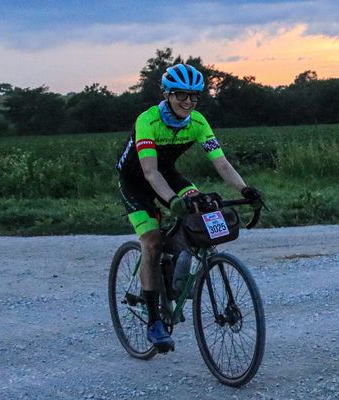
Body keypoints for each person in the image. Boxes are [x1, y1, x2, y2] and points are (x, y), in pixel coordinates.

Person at [116, 63, 262, 352]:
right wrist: (172, 201)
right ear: (168, 95)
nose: (188, 102)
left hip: (167, 173)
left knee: (202, 206)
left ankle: (176, 273)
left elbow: (220, 163)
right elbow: (149, 172)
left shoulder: (197, 122)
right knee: (153, 240)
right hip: (137, 180)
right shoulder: (148, 121)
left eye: (194, 97)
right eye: (182, 95)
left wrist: (245, 189)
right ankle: (155, 322)